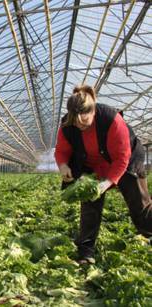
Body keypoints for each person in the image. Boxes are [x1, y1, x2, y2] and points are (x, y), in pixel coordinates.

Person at [55, 84, 152, 264]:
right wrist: (63, 166)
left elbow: (122, 158)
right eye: (75, 122)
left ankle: (149, 234)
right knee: (90, 207)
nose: (79, 126)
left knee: (139, 203)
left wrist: (107, 183)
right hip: (92, 166)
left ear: (93, 112)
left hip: (126, 161)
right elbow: (61, 151)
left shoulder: (111, 119)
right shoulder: (67, 125)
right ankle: (86, 252)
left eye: (84, 122)